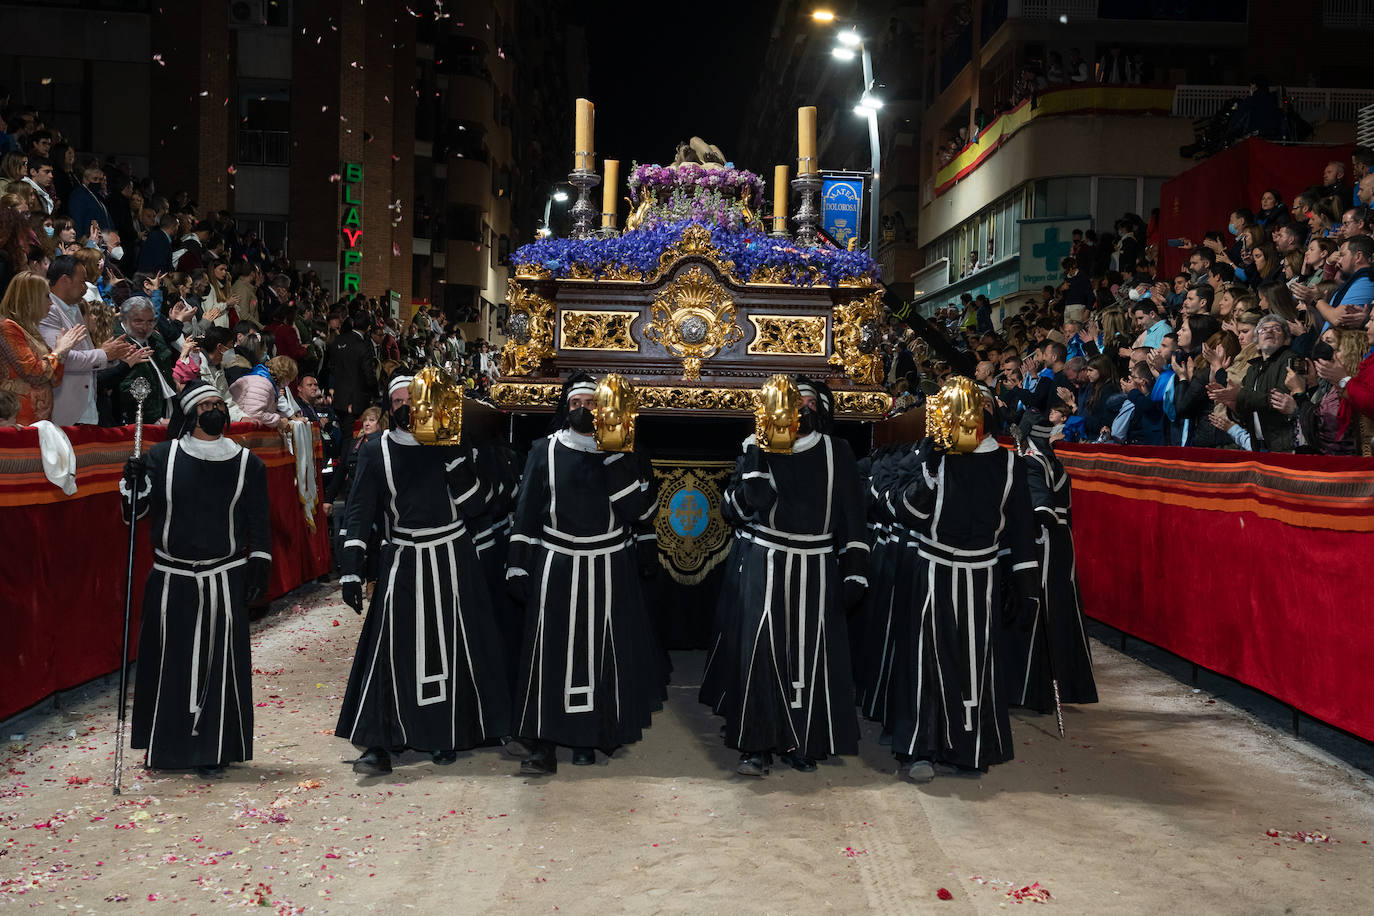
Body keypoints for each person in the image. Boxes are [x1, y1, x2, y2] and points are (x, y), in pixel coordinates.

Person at [335, 375, 512, 776]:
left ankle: (448, 734)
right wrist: (350, 570)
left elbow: (478, 505)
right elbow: (361, 510)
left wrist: (452, 462)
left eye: (410, 399)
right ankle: (380, 741)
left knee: (459, 648)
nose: (404, 406)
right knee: (391, 651)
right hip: (403, 557)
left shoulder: (450, 440)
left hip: (452, 554)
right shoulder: (376, 449)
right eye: (396, 400)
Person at [705, 377, 868, 777]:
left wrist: (856, 571)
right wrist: (755, 462)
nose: (802, 409)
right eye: (794, 403)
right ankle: (756, 745)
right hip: (768, 559)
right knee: (761, 651)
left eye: (809, 402)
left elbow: (852, 516)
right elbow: (739, 511)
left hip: (816, 563)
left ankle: (804, 740)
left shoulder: (838, 451)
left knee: (810, 653)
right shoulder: (757, 449)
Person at [879, 377, 1039, 782]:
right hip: (932, 570)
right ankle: (921, 748)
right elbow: (906, 515)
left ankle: (968, 748)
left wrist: (1026, 584)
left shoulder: (1008, 463)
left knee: (974, 662)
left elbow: (1021, 529)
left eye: (979, 408)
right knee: (927, 660)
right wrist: (928, 473)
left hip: (981, 575)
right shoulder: (934, 459)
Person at [504, 372, 664, 775]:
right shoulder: (544, 450)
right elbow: (526, 513)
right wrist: (517, 565)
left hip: (608, 566)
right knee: (549, 655)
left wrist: (614, 462)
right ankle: (542, 744)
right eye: (577, 405)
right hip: (557, 564)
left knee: (601, 655)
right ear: (566, 408)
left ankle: (589, 737)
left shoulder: (625, 454)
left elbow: (643, 514)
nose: (583, 411)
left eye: (591, 405)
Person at [121, 380, 271, 776]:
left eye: (219, 403)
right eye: (205, 405)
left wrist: (260, 562)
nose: (214, 411)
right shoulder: (161, 457)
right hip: (172, 578)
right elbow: (133, 514)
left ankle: (214, 748)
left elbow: (258, 519)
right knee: (170, 661)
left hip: (223, 576)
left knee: (218, 665)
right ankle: (168, 746)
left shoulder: (246, 463)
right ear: (190, 414)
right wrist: (132, 483)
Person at [1005, 413, 1098, 712]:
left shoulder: (1032, 462)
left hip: (1042, 547)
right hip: (1061, 546)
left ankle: (1034, 691)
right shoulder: (1054, 462)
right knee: (1059, 612)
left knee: (1038, 609)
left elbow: (1041, 508)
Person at [40, 255, 134, 424]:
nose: (85, 288)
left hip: (86, 406)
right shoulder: (49, 311)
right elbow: (61, 359)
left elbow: (88, 354)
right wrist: (103, 354)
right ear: (64, 280)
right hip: (63, 409)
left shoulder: (75, 307)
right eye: (82, 282)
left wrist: (112, 355)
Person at [0, 273, 86, 423]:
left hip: (40, 419)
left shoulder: (31, 331)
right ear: (31, 298)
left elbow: (53, 379)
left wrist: (63, 352)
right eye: (47, 296)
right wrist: (59, 351)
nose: (51, 303)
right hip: (16, 419)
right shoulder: (8, 328)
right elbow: (33, 373)